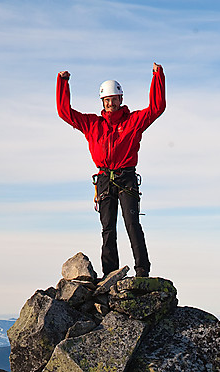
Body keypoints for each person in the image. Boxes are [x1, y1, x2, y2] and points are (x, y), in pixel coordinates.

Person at [56, 64, 165, 279]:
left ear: (121, 100)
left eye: (114, 99)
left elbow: (157, 108)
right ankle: (110, 274)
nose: (111, 103)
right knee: (108, 229)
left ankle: (142, 271)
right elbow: (64, 112)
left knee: (132, 223)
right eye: (107, 100)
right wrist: (63, 82)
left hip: (126, 177)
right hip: (105, 178)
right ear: (102, 102)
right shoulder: (92, 124)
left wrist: (157, 76)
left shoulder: (133, 121)